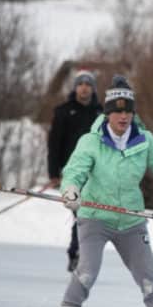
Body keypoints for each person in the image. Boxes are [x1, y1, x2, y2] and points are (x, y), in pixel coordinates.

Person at [58, 75, 153, 307]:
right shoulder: (91, 141)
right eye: (117, 111)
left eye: (128, 111)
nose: (123, 116)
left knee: (148, 276)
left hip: (131, 220)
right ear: (107, 113)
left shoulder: (144, 140)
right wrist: (71, 189)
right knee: (87, 271)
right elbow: (75, 170)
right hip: (93, 216)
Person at [47, 69, 102, 272]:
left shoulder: (101, 114)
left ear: (93, 88)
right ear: (75, 87)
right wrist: (53, 172)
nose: (84, 87)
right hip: (72, 174)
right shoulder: (63, 111)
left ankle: (79, 253)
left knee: (90, 215)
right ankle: (76, 253)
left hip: (95, 173)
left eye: (88, 84)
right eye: (81, 84)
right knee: (81, 213)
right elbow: (54, 144)